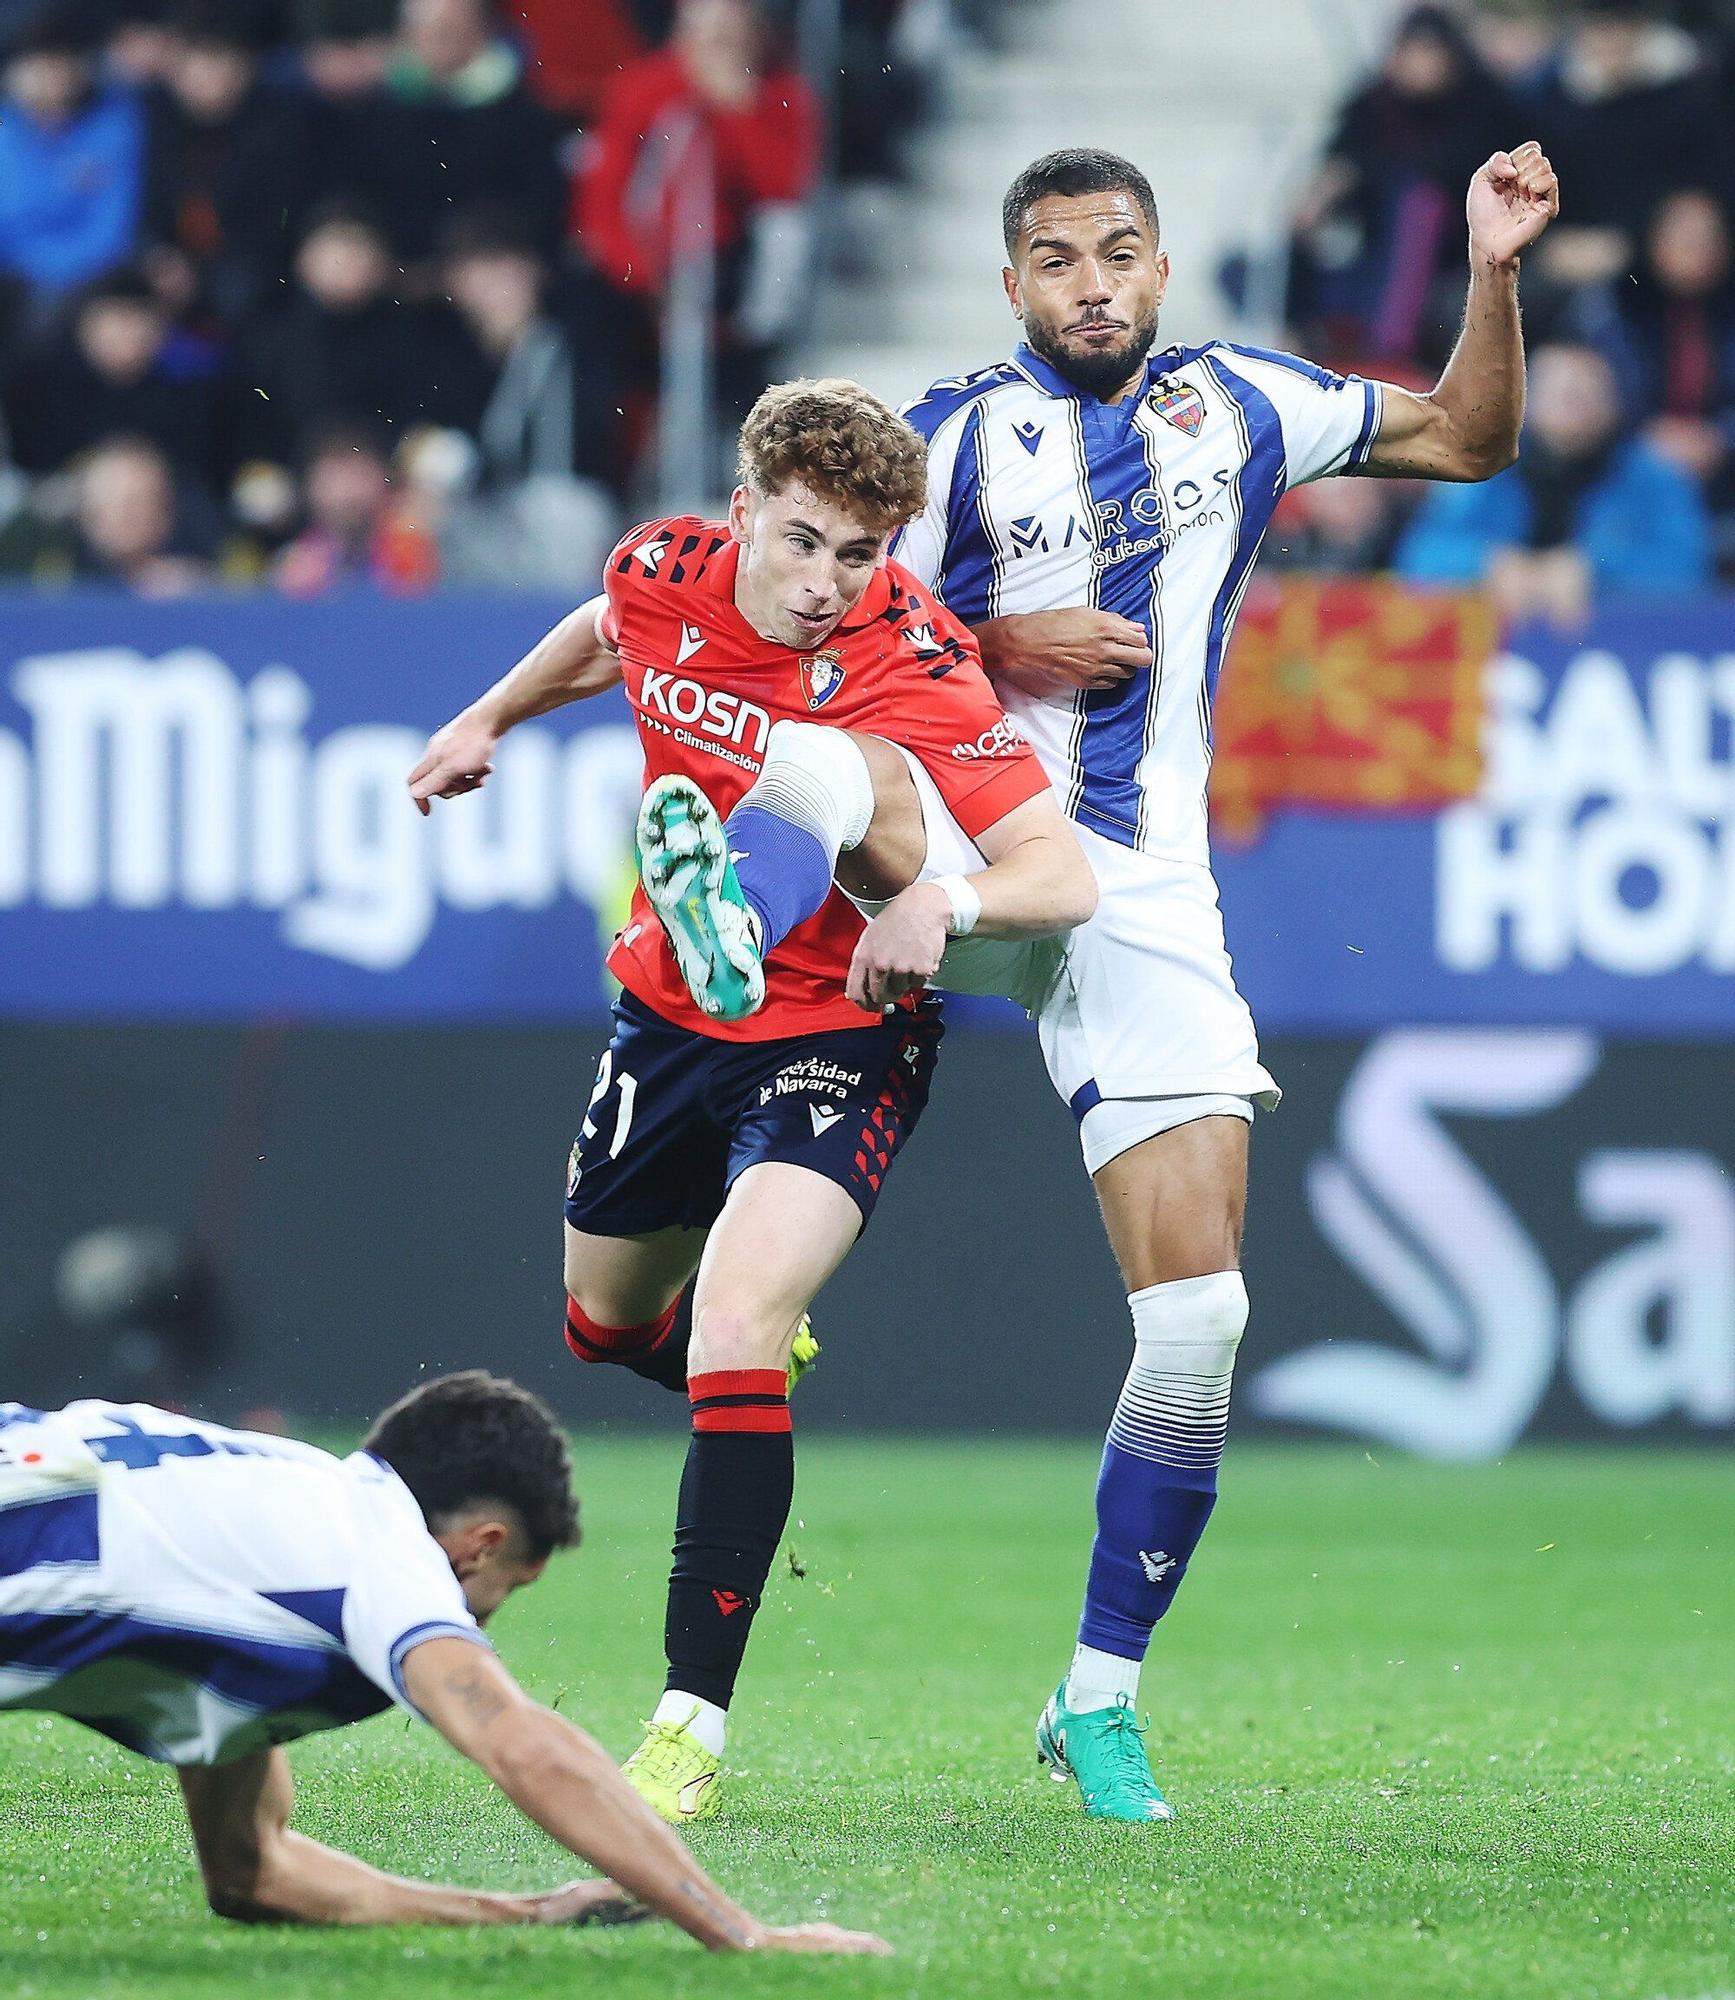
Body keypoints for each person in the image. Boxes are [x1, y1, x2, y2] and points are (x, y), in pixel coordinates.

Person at [889, 141, 1558, 1822]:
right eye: (1058, 259)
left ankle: (1095, 1698)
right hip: (958, 849)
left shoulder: (1239, 404)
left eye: (1121, 251)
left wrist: (1490, 271)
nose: (1095, 282)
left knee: (1201, 1319)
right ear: (1012, 287)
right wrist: (999, 643)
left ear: (1167, 267)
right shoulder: (947, 437)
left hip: (1134, 893)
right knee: (795, 842)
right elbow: (814, 621)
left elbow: (1470, 441)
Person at [407, 376, 1096, 1823]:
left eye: (857, 555)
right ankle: (712, 927)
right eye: (799, 544)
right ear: (738, 513)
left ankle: (684, 1732)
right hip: (668, 1019)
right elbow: (606, 637)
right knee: (604, 1327)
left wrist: (951, 903)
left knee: (735, 1320)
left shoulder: (908, 646)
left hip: (840, 1023)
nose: (825, 585)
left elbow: (1062, 873)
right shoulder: (657, 573)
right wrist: (488, 716)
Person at [0, 1376, 885, 1953]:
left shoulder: (272, 1516)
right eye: (507, 1587)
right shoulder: (382, 1554)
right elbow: (524, 1746)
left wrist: (535, 1911)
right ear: (478, 1548)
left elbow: (251, 1875)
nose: (481, 1619)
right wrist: (742, 1934)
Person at [1396, 339, 1712, 619]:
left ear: (1615, 404)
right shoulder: (1481, 466)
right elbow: (1419, 555)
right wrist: (1488, 564)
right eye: (1559, 392)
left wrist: (1593, 571)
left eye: (1585, 394)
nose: (1571, 406)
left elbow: (1689, 566)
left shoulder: (1655, 478)